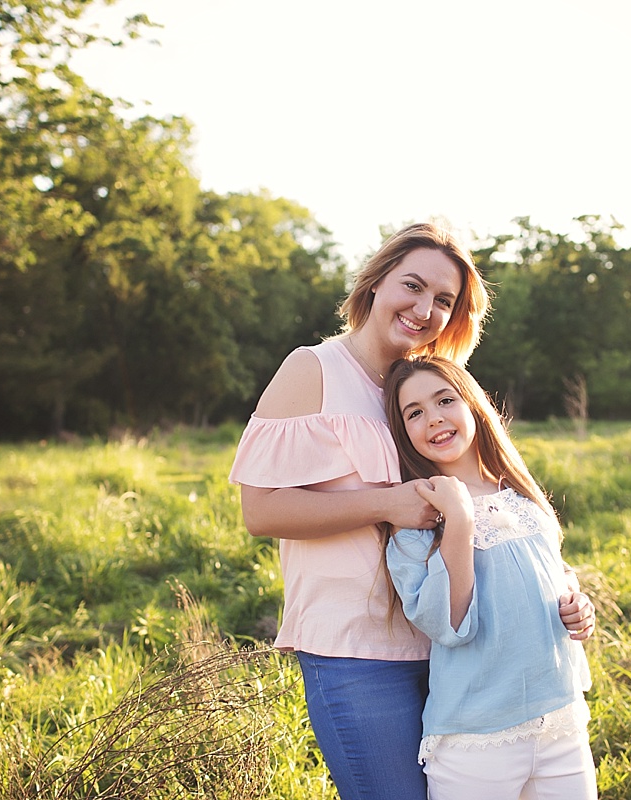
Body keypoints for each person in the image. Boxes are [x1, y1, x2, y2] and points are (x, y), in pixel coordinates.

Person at [228, 222, 594, 800]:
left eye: (444, 300)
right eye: (413, 285)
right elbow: (260, 511)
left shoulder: (422, 387)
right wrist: (387, 503)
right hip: (357, 648)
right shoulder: (313, 370)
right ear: (375, 283)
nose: (425, 309)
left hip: (453, 647)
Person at [382, 356, 598, 800]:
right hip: (476, 740)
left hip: (560, 720)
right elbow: (450, 624)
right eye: (415, 412)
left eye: (445, 400)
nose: (434, 418)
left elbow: (553, 572)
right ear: (404, 431)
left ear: (473, 405)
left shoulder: (519, 494)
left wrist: (577, 603)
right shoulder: (415, 521)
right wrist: (458, 519)